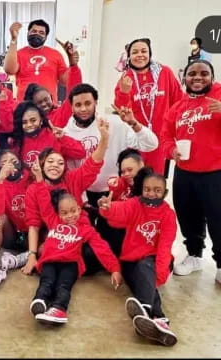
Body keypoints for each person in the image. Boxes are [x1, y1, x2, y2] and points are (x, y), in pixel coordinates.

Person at [64, 83, 158, 263]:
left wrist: (133, 123)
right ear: (71, 107)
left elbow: (151, 144)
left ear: (96, 103)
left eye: (88, 103)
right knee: (86, 251)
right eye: (78, 105)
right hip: (85, 197)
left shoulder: (115, 124)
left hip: (114, 195)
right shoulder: (67, 133)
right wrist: (83, 202)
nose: (83, 109)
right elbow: (73, 171)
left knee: (114, 245)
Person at [98, 170, 178, 346]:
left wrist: (160, 275)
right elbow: (118, 211)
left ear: (165, 193)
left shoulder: (168, 215)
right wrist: (107, 207)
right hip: (129, 260)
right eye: (147, 189)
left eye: (157, 190)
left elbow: (165, 247)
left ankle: (146, 309)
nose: (151, 193)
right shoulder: (134, 204)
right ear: (142, 190)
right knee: (143, 285)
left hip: (154, 261)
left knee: (145, 271)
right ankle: (160, 322)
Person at [22, 118, 110, 276]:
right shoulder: (33, 189)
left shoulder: (71, 179)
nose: (55, 165)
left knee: (92, 258)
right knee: (49, 255)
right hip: (51, 237)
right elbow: (33, 225)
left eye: (60, 163)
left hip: (77, 235)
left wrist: (104, 139)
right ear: (41, 165)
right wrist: (32, 255)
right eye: (50, 161)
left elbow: (93, 163)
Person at [28, 179, 121, 324]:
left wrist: (114, 268)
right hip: (49, 261)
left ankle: (59, 309)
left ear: (79, 209)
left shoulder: (85, 229)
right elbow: (43, 201)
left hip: (70, 264)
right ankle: (40, 302)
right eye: (64, 213)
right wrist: (40, 181)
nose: (70, 216)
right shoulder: (53, 221)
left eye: (73, 211)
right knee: (46, 282)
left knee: (63, 286)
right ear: (58, 214)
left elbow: (102, 248)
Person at [161, 60, 221, 284]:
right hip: (185, 172)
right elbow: (165, 136)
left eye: (204, 73)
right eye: (192, 74)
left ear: (212, 77)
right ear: (184, 78)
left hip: (216, 172)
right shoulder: (178, 107)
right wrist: (171, 150)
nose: (197, 77)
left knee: (218, 218)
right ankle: (194, 255)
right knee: (188, 216)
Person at [114, 38, 183, 175]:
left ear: (150, 54)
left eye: (144, 51)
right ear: (129, 57)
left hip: (162, 137)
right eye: (135, 52)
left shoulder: (165, 73)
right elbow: (121, 110)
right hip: (136, 137)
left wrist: (176, 130)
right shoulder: (126, 78)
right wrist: (124, 92)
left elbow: (178, 101)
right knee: (135, 176)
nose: (140, 55)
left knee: (156, 178)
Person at [0, 150, 31, 288]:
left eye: (14, 162)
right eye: (4, 164)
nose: (10, 166)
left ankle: (14, 261)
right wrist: (0, 180)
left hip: (32, 234)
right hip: (12, 234)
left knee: (50, 247)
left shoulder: (31, 178)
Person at [4, 19, 77, 101]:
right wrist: (13, 39)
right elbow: (9, 70)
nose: (37, 34)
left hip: (48, 104)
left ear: (46, 37)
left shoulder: (55, 54)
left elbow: (65, 81)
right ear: (28, 33)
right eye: (34, 31)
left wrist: (72, 61)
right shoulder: (19, 53)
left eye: (41, 33)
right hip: (25, 105)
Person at [10, 101, 86, 169]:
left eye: (33, 120)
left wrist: (63, 138)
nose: (29, 125)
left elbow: (81, 153)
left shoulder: (54, 137)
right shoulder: (17, 141)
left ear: (41, 120)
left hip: (55, 183)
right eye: (24, 122)